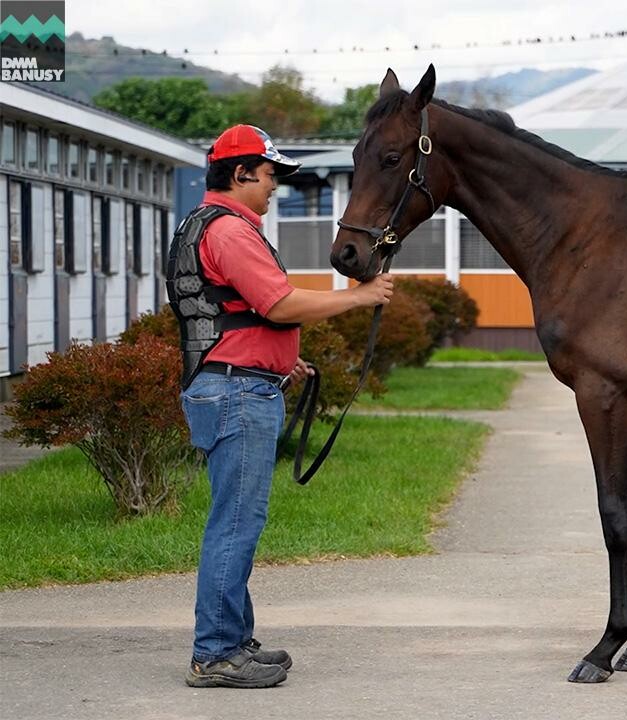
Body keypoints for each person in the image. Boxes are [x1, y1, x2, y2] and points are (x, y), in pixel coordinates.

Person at [172, 124, 394, 688]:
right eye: (271, 175)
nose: (276, 187)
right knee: (236, 524)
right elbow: (278, 302)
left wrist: (278, 360)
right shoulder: (230, 232)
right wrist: (361, 296)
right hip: (237, 393)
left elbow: (228, 315)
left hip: (235, 383)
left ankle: (232, 640)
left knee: (236, 521)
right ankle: (217, 654)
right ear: (241, 172)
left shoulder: (205, 225)